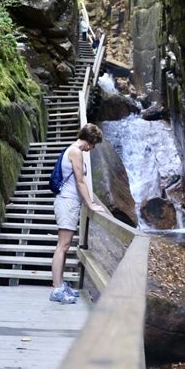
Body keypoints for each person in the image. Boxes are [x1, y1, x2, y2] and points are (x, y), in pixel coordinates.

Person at [50, 123, 105, 304]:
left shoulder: (74, 150)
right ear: (90, 140)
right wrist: (90, 204)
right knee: (62, 246)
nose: (93, 148)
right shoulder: (76, 152)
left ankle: (60, 285)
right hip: (67, 201)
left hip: (69, 202)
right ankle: (57, 289)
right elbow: (80, 182)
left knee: (64, 247)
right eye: (94, 143)